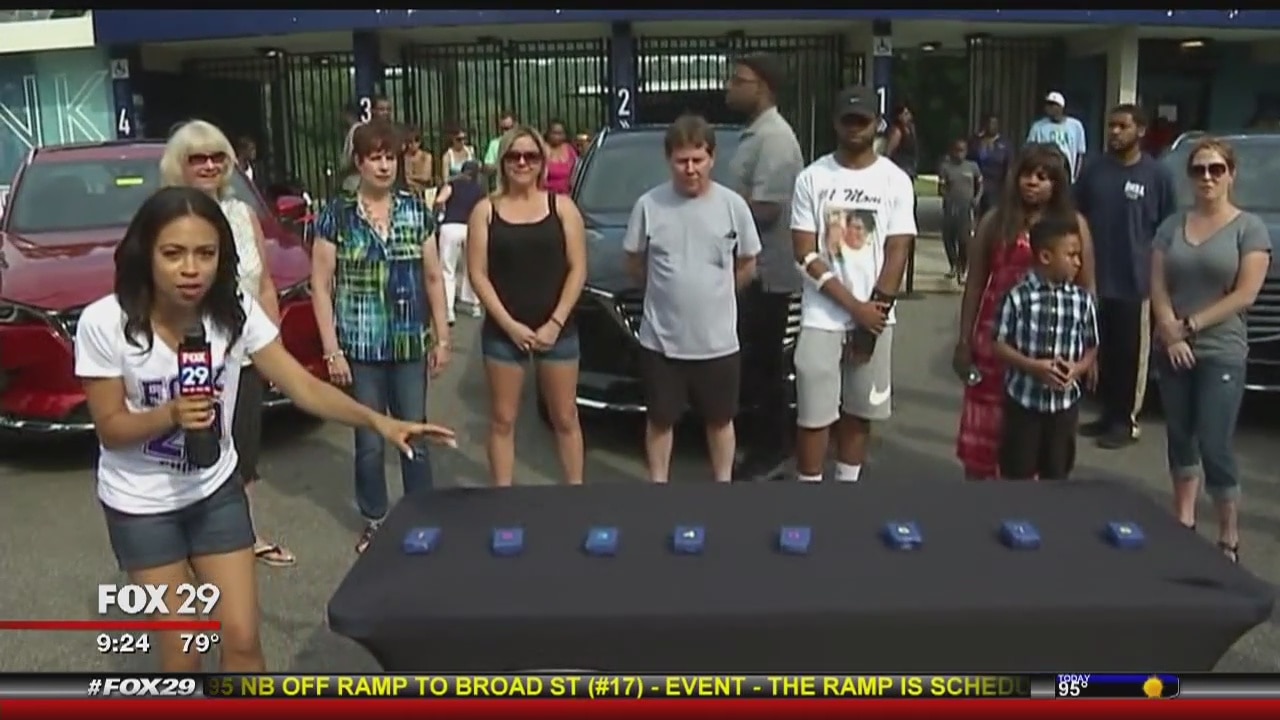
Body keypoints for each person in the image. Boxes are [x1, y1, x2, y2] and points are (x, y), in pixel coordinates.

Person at [74, 185, 455, 673]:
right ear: (145, 253)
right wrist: (170, 414)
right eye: (173, 254)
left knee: (242, 640)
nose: (191, 268)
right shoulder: (105, 322)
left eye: (205, 253)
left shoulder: (233, 311)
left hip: (215, 492)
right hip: (141, 506)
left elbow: (301, 384)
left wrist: (379, 421)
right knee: (183, 650)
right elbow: (110, 428)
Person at [309, 119, 453, 554]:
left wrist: (442, 337)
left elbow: (433, 277)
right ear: (359, 162)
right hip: (361, 346)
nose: (385, 166)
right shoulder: (337, 215)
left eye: (390, 157)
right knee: (369, 441)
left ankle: (422, 518)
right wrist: (331, 349)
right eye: (375, 158)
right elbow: (321, 285)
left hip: (409, 343)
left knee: (415, 433)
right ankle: (375, 519)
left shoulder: (415, 211)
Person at [162, 119, 293, 567]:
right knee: (192, 453)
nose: (209, 165)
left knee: (245, 450)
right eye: (197, 158)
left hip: (245, 355)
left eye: (217, 157)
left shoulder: (242, 214)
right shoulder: (164, 217)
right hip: (191, 356)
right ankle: (188, 544)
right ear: (178, 165)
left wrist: (275, 350)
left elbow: (265, 284)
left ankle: (245, 536)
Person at [1150, 136, 1271, 563]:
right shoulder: (1171, 227)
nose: (1207, 177)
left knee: (1214, 442)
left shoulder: (1249, 229)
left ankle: (1228, 535)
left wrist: (1191, 326)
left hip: (1221, 350)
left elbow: (1245, 294)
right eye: (1199, 169)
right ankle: (1183, 522)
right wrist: (1170, 332)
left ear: (1230, 175)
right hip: (1173, 348)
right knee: (1180, 435)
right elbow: (1158, 285)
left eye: (1216, 169)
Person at [623, 115, 762, 484]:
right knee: (660, 420)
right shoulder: (648, 206)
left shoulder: (733, 206)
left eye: (697, 160)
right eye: (682, 160)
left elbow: (748, 263)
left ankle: (722, 484)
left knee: (720, 420)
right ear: (668, 160)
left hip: (718, 344)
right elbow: (634, 262)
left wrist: (718, 292)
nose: (690, 169)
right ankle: (659, 485)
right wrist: (667, 291)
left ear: (711, 158)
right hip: (661, 343)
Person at [789, 86, 917, 484]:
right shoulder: (812, 178)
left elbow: (897, 250)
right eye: (848, 120)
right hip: (821, 316)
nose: (855, 128)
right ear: (835, 123)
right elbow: (805, 253)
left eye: (863, 121)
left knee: (859, 412)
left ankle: (847, 486)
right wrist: (853, 307)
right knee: (814, 415)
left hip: (875, 316)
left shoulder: (895, 181)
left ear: (877, 124)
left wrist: (872, 313)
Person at [954, 144, 1095, 480]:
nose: (1032, 182)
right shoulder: (996, 221)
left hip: (1048, 343)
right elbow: (975, 284)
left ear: (1057, 184)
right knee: (987, 432)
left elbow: (1087, 289)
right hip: (995, 340)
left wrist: (1090, 354)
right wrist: (965, 341)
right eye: (1026, 174)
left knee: (1037, 439)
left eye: (1042, 177)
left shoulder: (1073, 225)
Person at [467, 125, 587, 487]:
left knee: (565, 416)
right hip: (504, 332)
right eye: (514, 156)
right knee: (503, 419)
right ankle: (503, 498)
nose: (522, 163)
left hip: (558, 330)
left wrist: (555, 322)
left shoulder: (562, 208)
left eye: (531, 156)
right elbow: (478, 274)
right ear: (502, 161)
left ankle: (576, 495)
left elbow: (578, 269)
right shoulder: (485, 211)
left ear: (542, 162)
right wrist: (509, 325)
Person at [1074, 104, 1178, 449]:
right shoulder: (1093, 170)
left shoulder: (1157, 175)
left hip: (1135, 281)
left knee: (1130, 356)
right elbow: (1076, 216)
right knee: (1103, 351)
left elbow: (1168, 227)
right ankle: (1107, 414)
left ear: (1141, 131)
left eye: (1122, 126)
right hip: (1095, 278)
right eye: (1111, 126)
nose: (1115, 132)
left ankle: (1125, 421)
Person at [724, 52, 805, 479]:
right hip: (752, 270)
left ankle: (771, 450)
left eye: (739, 80)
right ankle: (762, 444)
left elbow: (768, 208)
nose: (729, 87)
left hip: (766, 273)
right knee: (755, 363)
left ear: (764, 88)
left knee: (764, 364)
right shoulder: (755, 134)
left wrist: (720, 213)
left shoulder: (774, 138)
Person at [992, 215, 1099, 480]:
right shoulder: (1018, 297)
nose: (1078, 262)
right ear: (1046, 257)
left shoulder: (1082, 301)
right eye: (1071, 255)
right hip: (1024, 403)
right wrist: (1032, 366)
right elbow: (998, 344)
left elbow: (1091, 346)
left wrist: (1077, 369)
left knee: (1057, 476)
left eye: (1079, 255)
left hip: (1063, 407)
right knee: (1017, 476)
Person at [433, 160, 485, 323]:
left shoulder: (453, 185)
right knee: (472, 268)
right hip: (470, 228)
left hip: (450, 227)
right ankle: (475, 305)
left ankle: (449, 310)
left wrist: (439, 212)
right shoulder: (479, 190)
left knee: (448, 269)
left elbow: (440, 200)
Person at [938, 137, 983, 283]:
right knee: (948, 239)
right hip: (951, 208)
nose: (959, 154)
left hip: (967, 208)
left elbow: (980, 185)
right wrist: (946, 196)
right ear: (952, 151)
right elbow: (941, 187)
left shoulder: (972, 167)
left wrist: (977, 198)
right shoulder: (946, 167)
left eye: (962, 150)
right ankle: (953, 265)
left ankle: (963, 270)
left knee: (964, 241)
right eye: (957, 150)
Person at [1027, 92, 1087, 182]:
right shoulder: (1038, 127)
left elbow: (1080, 154)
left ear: (1061, 107)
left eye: (1053, 105)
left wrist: (1076, 177)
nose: (1049, 108)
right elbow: (1030, 150)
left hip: (1067, 174)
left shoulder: (1075, 125)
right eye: (1048, 105)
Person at [968, 113, 1010, 219]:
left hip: (995, 186)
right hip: (976, 185)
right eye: (989, 123)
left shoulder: (1005, 145)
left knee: (992, 215)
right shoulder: (975, 142)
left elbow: (1009, 166)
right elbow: (968, 161)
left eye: (994, 123)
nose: (991, 126)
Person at [543, 119, 579, 195]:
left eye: (560, 133)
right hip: (548, 195)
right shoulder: (543, 150)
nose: (557, 136)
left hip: (569, 195)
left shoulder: (570, 150)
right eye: (554, 133)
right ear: (548, 133)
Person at [482, 112, 518, 185]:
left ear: (516, 126)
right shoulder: (494, 144)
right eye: (503, 129)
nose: (505, 132)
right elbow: (487, 167)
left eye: (508, 128)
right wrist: (502, 166)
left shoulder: (523, 143)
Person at [402, 126, 435, 198]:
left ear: (418, 142)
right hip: (410, 191)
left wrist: (412, 177)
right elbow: (407, 179)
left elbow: (426, 177)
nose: (410, 146)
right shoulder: (406, 157)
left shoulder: (426, 156)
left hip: (425, 192)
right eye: (408, 142)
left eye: (412, 142)